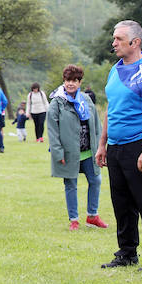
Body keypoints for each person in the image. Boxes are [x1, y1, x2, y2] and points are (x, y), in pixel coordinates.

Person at [95, 20, 142, 271]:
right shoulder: (115, 70)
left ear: (135, 42)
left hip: (140, 145)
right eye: (114, 38)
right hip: (116, 147)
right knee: (122, 204)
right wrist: (103, 144)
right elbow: (110, 109)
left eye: (118, 38)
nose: (113, 42)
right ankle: (127, 253)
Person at [47, 64, 107, 231]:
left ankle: (92, 216)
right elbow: (52, 130)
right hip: (68, 152)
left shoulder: (86, 99)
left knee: (95, 180)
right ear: (64, 81)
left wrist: (101, 146)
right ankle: (74, 219)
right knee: (71, 185)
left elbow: (96, 124)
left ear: (80, 82)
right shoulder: (57, 102)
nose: (71, 84)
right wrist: (58, 152)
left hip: (89, 151)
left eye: (74, 80)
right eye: (68, 80)